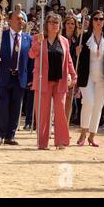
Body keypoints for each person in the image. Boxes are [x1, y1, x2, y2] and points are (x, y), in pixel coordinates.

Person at [29, 13, 77, 150]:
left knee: (60, 111)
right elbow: (31, 54)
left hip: (60, 81)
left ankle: (60, 141)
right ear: (46, 24)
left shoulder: (64, 41)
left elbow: (68, 61)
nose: (54, 25)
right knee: (43, 112)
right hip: (43, 81)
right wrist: (38, 43)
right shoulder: (38, 38)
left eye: (57, 22)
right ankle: (42, 143)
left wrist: (73, 75)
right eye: (51, 22)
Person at [0, 11, 32, 145]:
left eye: (23, 20)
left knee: (16, 107)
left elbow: (31, 60)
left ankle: (10, 135)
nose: (21, 22)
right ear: (10, 21)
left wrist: (30, 77)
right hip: (4, 76)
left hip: (20, 78)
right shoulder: (1, 36)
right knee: (2, 105)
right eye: (18, 19)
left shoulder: (27, 38)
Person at [76, 11, 104, 147]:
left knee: (98, 106)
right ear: (92, 21)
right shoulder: (84, 36)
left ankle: (92, 136)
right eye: (96, 19)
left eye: (101, 19)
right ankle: (83, 132)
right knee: (89, 101)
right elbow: (76, 58)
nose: (99, 21)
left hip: (102, 78)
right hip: (86, 76)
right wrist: (77, 52)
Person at [62, 15, 80, 123]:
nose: (70, 25)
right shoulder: (59, 37)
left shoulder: (77, 40)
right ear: (64, 25)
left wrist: (78, 54)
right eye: (68, 23)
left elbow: (79, 58)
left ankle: (65, 124)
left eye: (72, 23)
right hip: (60, 71)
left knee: (69, 99)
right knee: (58, 99)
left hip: (72, 72)